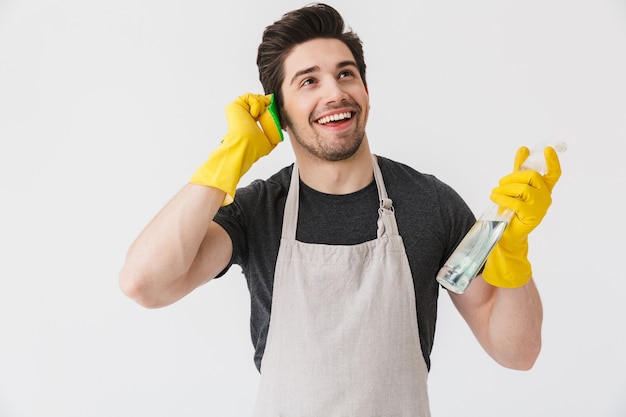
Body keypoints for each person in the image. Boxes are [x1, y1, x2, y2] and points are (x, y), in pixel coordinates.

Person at [119, 3, 562, 416]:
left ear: (366, 91)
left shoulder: (431, 203)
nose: (335, 92)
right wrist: (228, 158)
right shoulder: (258, 211)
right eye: (308, 81)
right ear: (278, 112)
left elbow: (517, 352)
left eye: (346, 74)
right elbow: (145, 284)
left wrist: (514, 253)